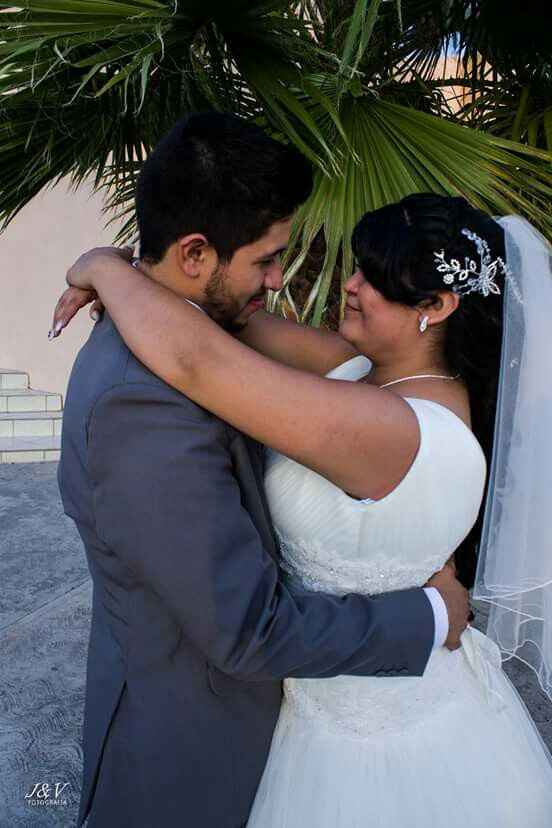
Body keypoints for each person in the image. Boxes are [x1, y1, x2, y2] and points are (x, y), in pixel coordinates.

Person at [54, 185, 552, 826]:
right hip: (309, 696)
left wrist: (99, 267)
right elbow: (224, 313)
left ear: (436, 305)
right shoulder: (368, 371)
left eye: (374, 276)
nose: (349, 284)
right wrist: (134, 268)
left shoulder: (392, 430)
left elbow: (196, 360)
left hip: (362, 737)